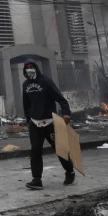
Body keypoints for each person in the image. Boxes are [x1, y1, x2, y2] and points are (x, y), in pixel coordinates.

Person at [20, 61, 75, 189]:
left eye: (31, 67)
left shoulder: (46, 81)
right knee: (35, 150)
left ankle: (70, 171)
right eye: (27, 68)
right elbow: (26, 104)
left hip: (50, 122)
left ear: (36, 68)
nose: (30, 69)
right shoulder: (25, 85)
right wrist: (28, 119)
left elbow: (60, 98)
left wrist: (66, 114)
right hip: (35, 123)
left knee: (60, 149)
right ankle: (36, 179)